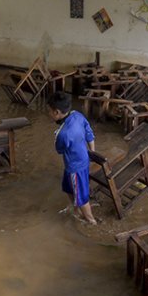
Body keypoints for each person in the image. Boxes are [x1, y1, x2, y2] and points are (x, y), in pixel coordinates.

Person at [46, 91, 97, 224]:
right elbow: (89, 133)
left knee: (82, 197)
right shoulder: (77, 115)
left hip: (75, 168)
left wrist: (57, 137)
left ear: (57, 112)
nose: (48, 114)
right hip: (82, 161)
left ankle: (92, 221)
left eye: (49, 111)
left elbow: (59, 150)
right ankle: (76, 211)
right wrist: (92, 152)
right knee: (68, 188)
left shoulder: (62, 134)